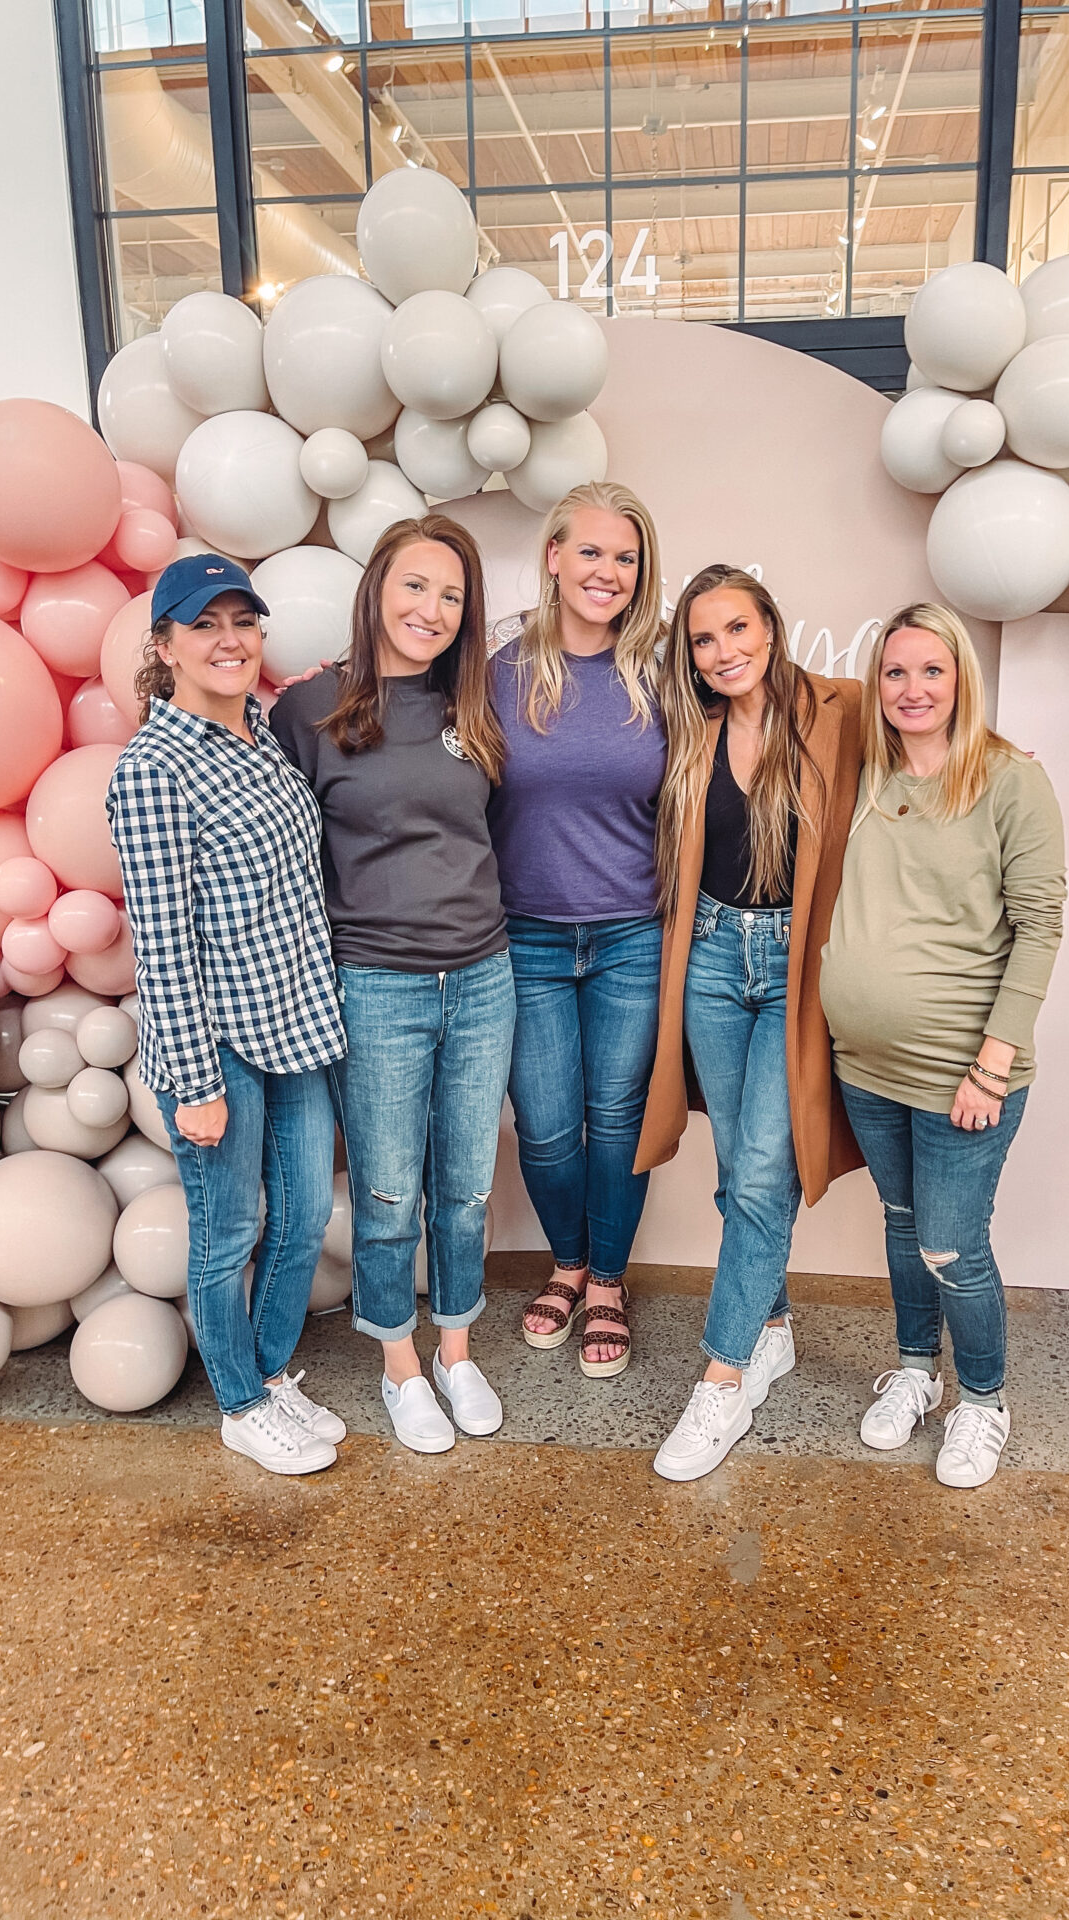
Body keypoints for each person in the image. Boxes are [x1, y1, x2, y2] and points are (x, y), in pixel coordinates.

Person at [270, 515, 514, 1456]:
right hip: (375, 987)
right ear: (376, 589)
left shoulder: (478, 708)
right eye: (416, 586)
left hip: (484, 978)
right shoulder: (310, 710)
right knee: (385, 1194)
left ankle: (456, 1349)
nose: (433, 610)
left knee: (462, 1188)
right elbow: (281, 857)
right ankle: (400, 1365)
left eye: (452, 596)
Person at [106, 554, 348, 1477]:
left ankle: (272, 1374)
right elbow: (161, 945)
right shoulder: (155, 770)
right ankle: (240, 1406)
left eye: (243, 621)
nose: (228, 639)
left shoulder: (262, 736)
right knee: (228, 1235)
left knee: (295, 1222)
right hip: (217, 1048)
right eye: (204, 624)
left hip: (296, 1024)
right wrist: (196, 1083)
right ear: (164, 646)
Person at [819, 602, 1065, 1489]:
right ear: (873, 685)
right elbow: (785, 696)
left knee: (952, 1244)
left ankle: (985, 1401)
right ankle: (918, 1374)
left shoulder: (1010, 780)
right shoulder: (862, 776)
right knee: (903, 1226)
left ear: (963, 677)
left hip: (966, 1074)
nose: (912, 689)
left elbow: (1040, 928)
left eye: (933, 671)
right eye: (894, 673)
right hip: (866, 1065)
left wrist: (992, 1064)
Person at [635, 566, 863, 1479]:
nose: (724, 651)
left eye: (738, 629)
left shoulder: (839, 711)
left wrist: (1002, 754)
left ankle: (721, 1382)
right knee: (741, 1164)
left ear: (771, 627)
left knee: (766, 1171)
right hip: (714, 962)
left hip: (795, 964)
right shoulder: (688, 734)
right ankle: (770, 1328)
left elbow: (933, 722)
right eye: (703, 638)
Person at [488, 480, 667, 1378]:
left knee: (617, 1122)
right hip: (526, 937)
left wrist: (964, 739)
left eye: (625, 557)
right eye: (590, 551)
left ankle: (603, 1281)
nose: (607, 571)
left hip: (634, 935)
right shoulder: (495, 671)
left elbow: (784, 708)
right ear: (554, 557)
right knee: (549, 1129)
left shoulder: (663, 673)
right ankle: (565, 1257)